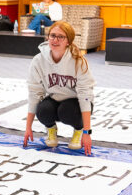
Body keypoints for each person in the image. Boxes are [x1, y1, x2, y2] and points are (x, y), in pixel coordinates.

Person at [23, 21, 95, 156]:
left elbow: (85, 95)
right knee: (43, 110)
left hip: (75, 104)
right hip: (55, 98)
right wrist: (28, 127)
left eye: (61, 37)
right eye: (52, 35)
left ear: (68, 41)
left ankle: (78, 130)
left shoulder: (79, 61)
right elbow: (34, 93)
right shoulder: (38, 60)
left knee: (66, 111)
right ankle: (51, 129)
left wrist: (86, 132)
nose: (55, 40)